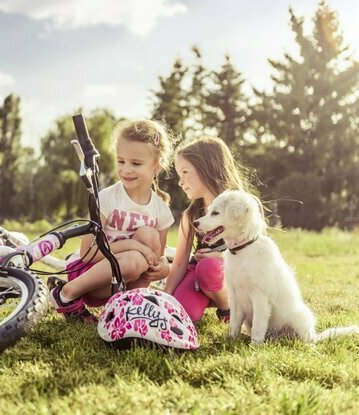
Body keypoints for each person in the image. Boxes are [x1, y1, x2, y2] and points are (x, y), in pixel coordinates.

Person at [50, 119, 176, 323]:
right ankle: (66, 293)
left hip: (122, 282)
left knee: (149, 236)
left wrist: (164, 269)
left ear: (157, 167)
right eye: (121, 161)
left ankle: (129, 306)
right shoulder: (108, 198)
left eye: (136, 163)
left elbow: (158, 258)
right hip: (88, 276)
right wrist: (131, 245)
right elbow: (87, 253)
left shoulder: (161, 211)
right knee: (135, 259)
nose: (126, 169)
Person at [163, 136, 253, 322]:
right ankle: (203, 298)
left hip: (230, 278)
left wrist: (221, 257)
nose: (180, 182)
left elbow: (256, 254)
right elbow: (179, 263)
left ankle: (227, 308)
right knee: (182, 314)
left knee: (209, 267)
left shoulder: (240, 207)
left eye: (185, 172)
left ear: (207, 168)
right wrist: (165, 297)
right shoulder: (190, 215)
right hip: (198, 276)